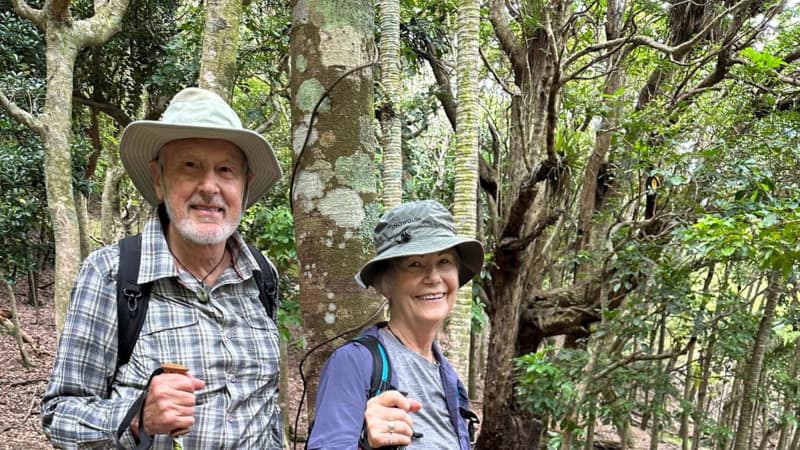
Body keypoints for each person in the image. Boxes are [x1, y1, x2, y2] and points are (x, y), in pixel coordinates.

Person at [41, 87, 284, 449]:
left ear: (244, 186)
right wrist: (137, 418)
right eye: (189, 167)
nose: (209, 186)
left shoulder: (262, 276)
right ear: (159, 178)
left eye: (225, 170)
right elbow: (59, 414)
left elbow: (265, 411)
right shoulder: (112, 275)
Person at [306, 200, 484, 450]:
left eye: (444, 261)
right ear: (384, 283)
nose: (434, 277)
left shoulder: (449, 378)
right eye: (415, 264)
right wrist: (364, 444)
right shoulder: (353, 363)